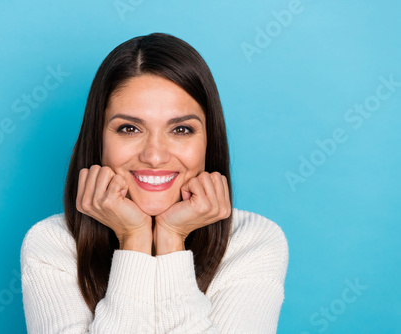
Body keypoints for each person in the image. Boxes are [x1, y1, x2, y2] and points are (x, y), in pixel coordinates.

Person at [20, 32, 289, 333]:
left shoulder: (253, 241)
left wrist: (171, 238)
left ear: (208, 142)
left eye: (181, 130)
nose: (155, 156)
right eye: (130, 128)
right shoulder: (52, 244)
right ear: (98, 141)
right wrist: (134, 239)